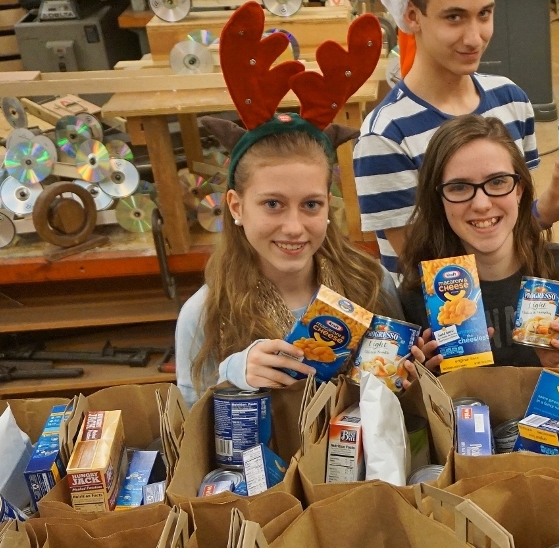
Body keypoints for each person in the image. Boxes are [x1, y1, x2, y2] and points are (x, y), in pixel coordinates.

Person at [356, 0, 559, 279]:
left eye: (484, 14)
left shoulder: (510, 101)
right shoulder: (385, 137)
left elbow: (506, 226)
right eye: (454, 17)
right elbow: (427, 269)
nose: (474, 38)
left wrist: (545, 210)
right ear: (411, 16)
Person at [175, 128, 414, 409]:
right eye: (273, 204)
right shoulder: (206, 312)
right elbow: (190, 431)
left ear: (328, 205)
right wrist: (233, 375)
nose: (293, 228)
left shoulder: (371, 282)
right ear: (236, 207)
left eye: (311, 204)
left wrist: (414, 376)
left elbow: (405, 405)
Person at [400, 114, 559, 371]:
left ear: (520, 189)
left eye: (498, 182)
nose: (481, 204)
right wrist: (423, 379)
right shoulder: (420, 291)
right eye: (459, 187)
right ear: (439, 199)